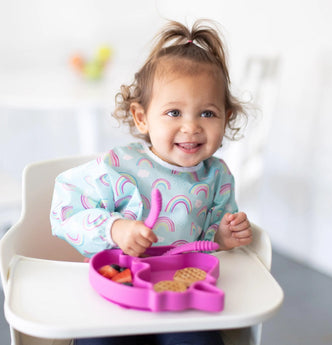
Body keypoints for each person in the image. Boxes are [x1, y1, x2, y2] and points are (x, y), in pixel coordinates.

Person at [50, 19, 252, 345]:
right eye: (174, 113)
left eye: (208, 113)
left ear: (226, 118)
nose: (191, 127)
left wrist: (224, 236)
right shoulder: (120, 166)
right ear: (142, 117)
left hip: (182, 295)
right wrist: (114, 229)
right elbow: (65, 207)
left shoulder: (217, 176)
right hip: (119, 287)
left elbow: (210, 240)